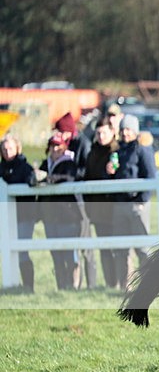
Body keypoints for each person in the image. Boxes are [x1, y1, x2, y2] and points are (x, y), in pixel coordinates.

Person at [110, 114, 157, 289]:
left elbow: (151, 176)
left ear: (135, 131)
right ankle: (125, 286)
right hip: (120, 204)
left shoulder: (143, 149)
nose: (125, 133)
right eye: (122, 129)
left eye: (128, 129)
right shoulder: (118, 151)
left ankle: (147, 284)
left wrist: (142, 201)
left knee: (142, 248)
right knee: (121, 249)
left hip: (138, 205)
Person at [53, 112, 96, 288]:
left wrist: (67, 176)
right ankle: (75, 284)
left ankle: (91, 285)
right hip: (69, 203)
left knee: (86, 247)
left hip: (81, 202)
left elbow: (86, 170)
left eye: (62, 132)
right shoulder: (67, 144)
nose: (59, 136)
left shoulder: (83, 144)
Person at [39, 135, 82, 290]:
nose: (55, 149)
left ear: (64, 147)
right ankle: (61, 287)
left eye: (58, 146)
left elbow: (69, 178)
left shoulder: (69, 163)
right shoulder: (46, 163)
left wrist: (49, 179)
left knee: (70, 253)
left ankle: (74, 285)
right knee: (56, 254)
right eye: (52, 146)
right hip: (50, 216)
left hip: (68, 215)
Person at [83, 116, 120, 288]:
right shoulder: (93, 152)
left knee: (117, 248)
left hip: (114, 207)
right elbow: (88, 177)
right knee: (104, 249)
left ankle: (121, 281)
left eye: (104, 132)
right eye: (98, 132)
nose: (101, 136)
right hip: (98, 209)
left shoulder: (116, 151)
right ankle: (110, 283)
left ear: (111, 132)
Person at [1, 134, 38, 291]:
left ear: (17, 148)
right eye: (4, 149)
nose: (7, 152)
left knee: (22, 252)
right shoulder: (1, 168)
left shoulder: (25, 167)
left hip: (23, 216)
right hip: (5, 218)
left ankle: (28, 287)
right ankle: (12, 285)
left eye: (10, 148)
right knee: (7, 251)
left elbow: (31, 184)